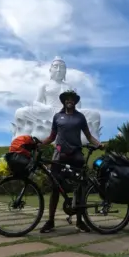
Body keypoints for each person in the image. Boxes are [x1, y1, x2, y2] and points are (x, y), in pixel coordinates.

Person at [39, 89, 102, 233]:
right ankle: (50, 221)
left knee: (79, 188)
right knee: (55, 188)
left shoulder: (80, 117)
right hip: (59, 155)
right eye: (67, 99)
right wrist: (39, 144)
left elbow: (89, 135)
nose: (69, 101)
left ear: (75, 101)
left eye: (72, 99)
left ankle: (80, 221)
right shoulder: (57, 117)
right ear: (63, 101)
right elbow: (51, 137)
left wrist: (99, 144)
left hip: (76, 155)